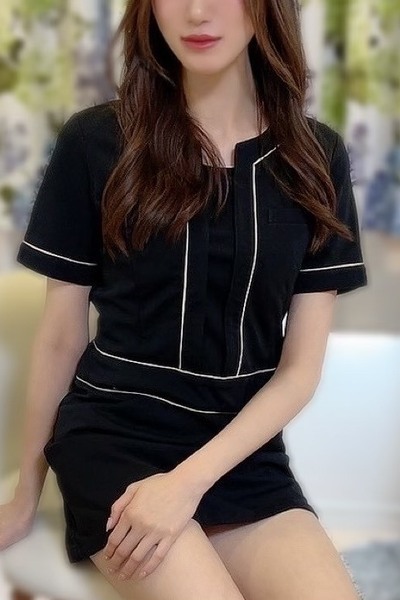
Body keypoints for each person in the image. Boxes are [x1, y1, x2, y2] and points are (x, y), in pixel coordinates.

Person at [1, 1, 367, 598]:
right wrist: (25, 498)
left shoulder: (315, 157)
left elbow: (299, 370)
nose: (197, 12)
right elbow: (62, 338)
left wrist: (186, 484)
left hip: (239, 453)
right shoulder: (95, 141)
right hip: (115, 440)